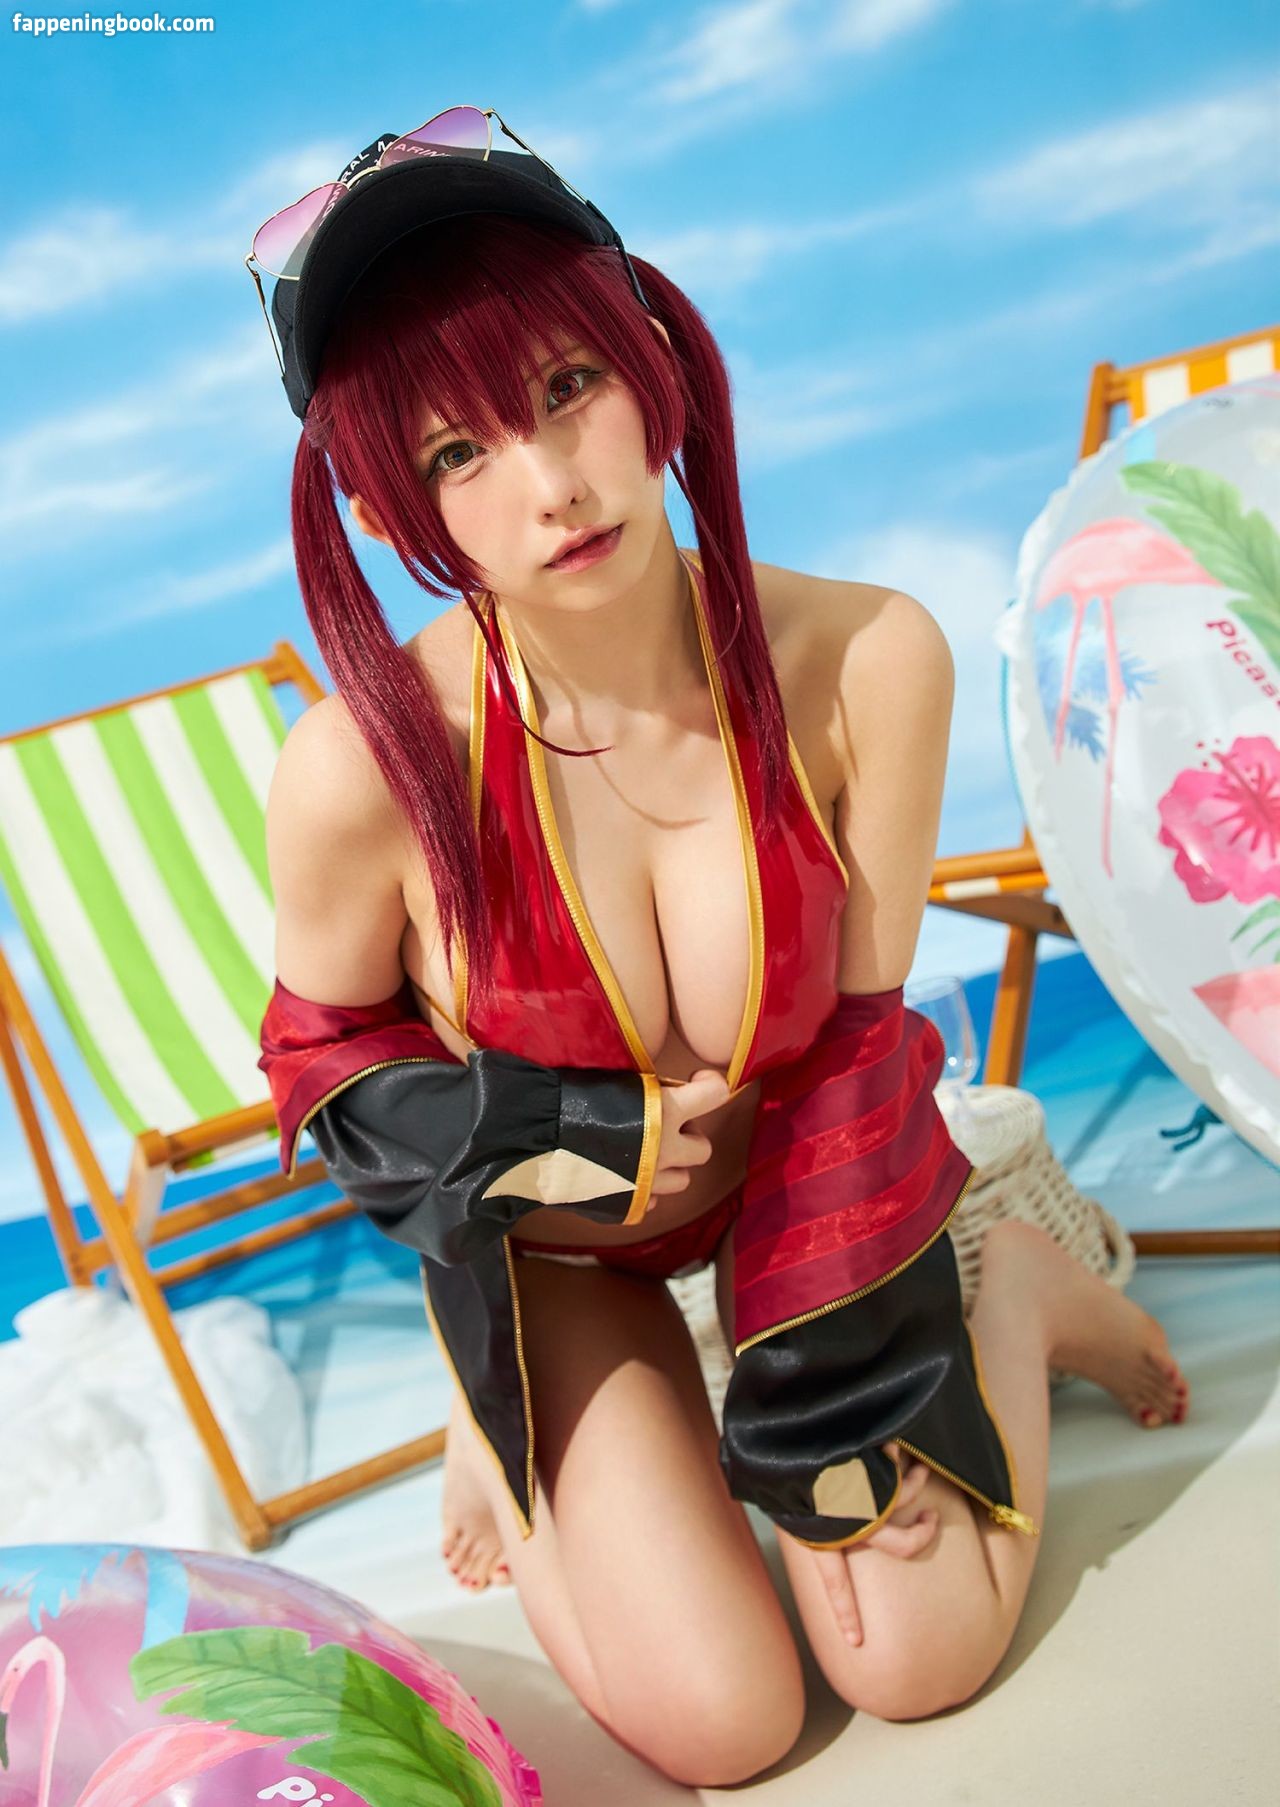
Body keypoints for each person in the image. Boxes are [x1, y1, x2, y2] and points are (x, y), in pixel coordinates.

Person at [251, 110, 1189, 1788]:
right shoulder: (364, 768)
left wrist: (818, 1374)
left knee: (915, 1662)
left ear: (648, 358)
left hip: (799, 1193)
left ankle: (1023, 1301)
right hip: (562, 1262)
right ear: (393, 510)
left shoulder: (868, 657)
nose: (551, 484)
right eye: (458, 454)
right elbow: (324, 1060)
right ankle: (501, 1417)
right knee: (728, 1727)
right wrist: (555, 1132)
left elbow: (855, 1040)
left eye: (565, 388)